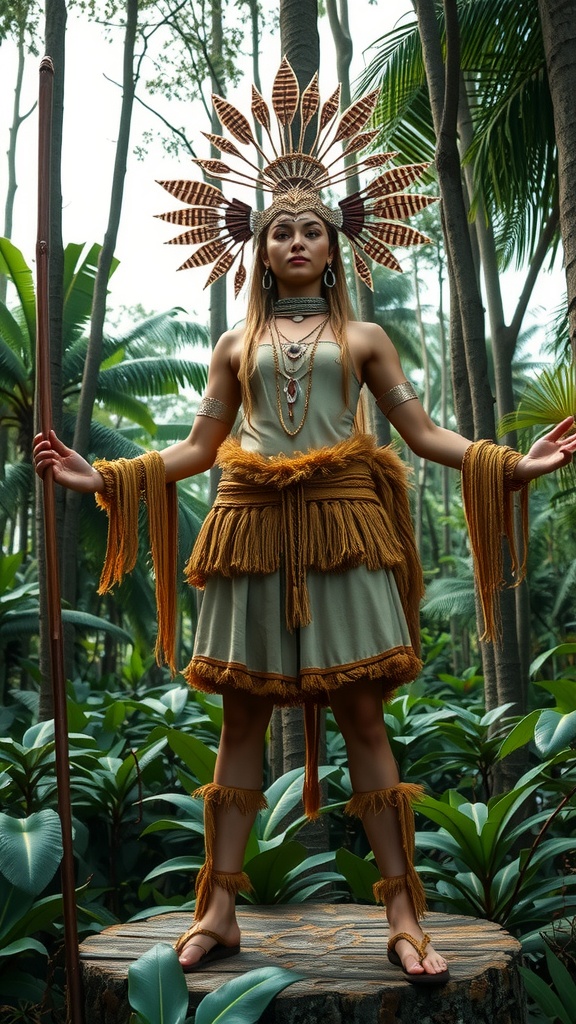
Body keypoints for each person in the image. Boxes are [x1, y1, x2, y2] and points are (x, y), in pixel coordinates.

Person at [33, 61, 576, 985]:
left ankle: (401, 912)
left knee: (363, 713)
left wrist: (508, 464)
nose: (295, 240)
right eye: (280, 228)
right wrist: (109, 477)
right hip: (249, 532)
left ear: (335, 247)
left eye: (311, 230)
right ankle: (220, 906)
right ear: (257, 245)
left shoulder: (364, 339)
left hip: (343, 531)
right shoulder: (234, 343)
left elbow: (422, 431)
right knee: (240, 717)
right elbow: (201, 449)